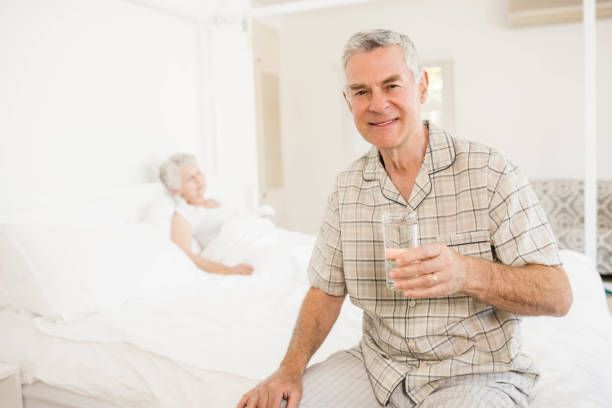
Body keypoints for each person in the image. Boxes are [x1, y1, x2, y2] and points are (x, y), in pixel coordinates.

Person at [237, 29, 572, 408]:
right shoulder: (347, 187)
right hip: (378, 367)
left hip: (474, 373)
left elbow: (558, 295)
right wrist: (290, 368)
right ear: (348, 101)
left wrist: (466, 273)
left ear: (422, 87)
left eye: (391, 85)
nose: (377, 104)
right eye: (362, 91)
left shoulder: (490, 171)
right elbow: (326, 289)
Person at [159, 153, 253, 276]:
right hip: (239, 255)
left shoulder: (218, 200)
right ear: (176, 189)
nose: (198, 180)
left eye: (198, 173)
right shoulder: (184, 214)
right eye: (190, 178)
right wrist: (228, 271)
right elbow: (183, 255)